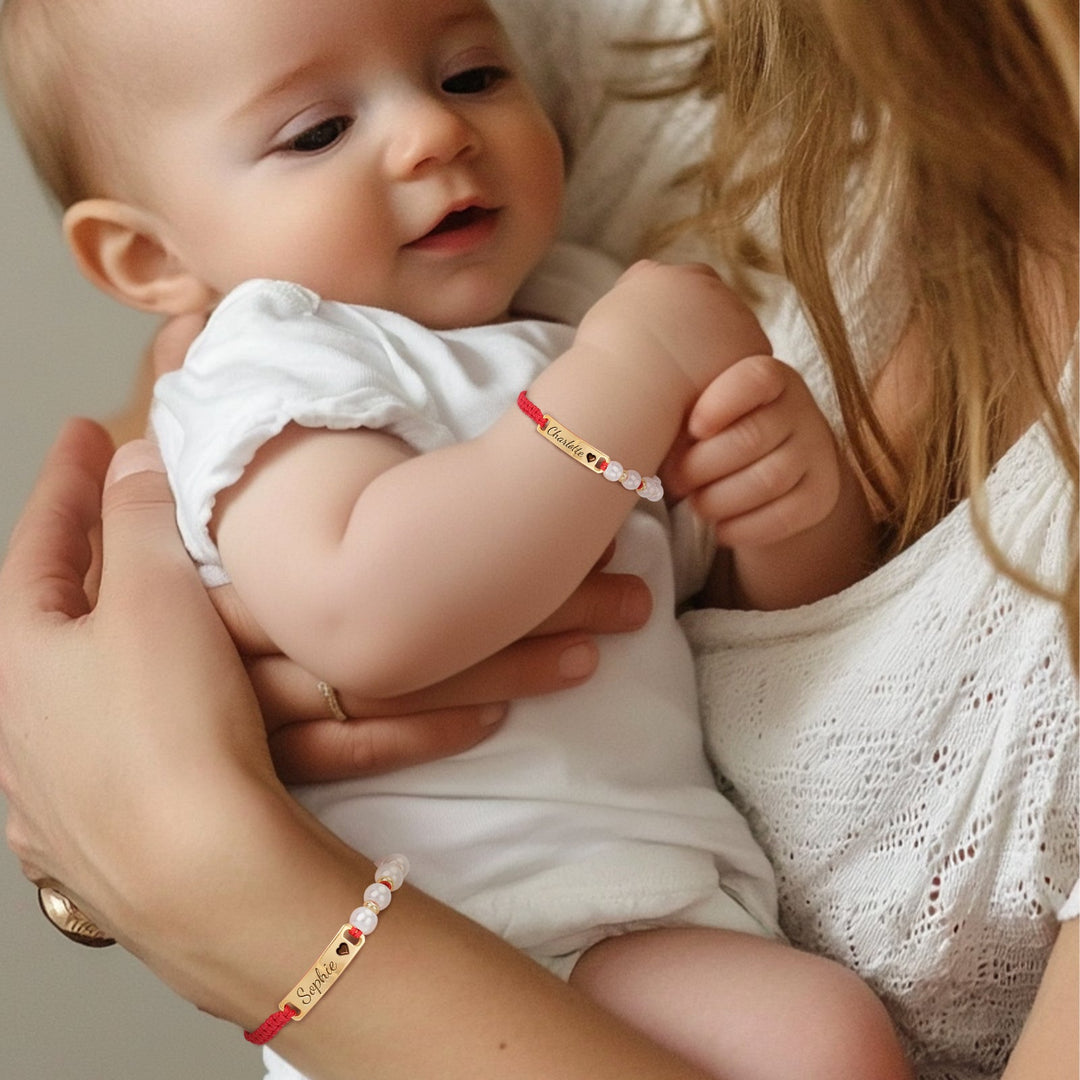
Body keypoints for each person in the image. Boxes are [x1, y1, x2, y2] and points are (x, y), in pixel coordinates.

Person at [0, 0, 1074, 1078]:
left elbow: (747, 619)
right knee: (817, 1040)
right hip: (456, 923)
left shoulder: (571, 306)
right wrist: (630, 378)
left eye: (470, 76)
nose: (435, 133)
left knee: (821, 1039)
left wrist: (789, 505)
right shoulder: (276, 366)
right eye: (318, 132)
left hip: (614, 921)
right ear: (148, 256)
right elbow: (364, 612)